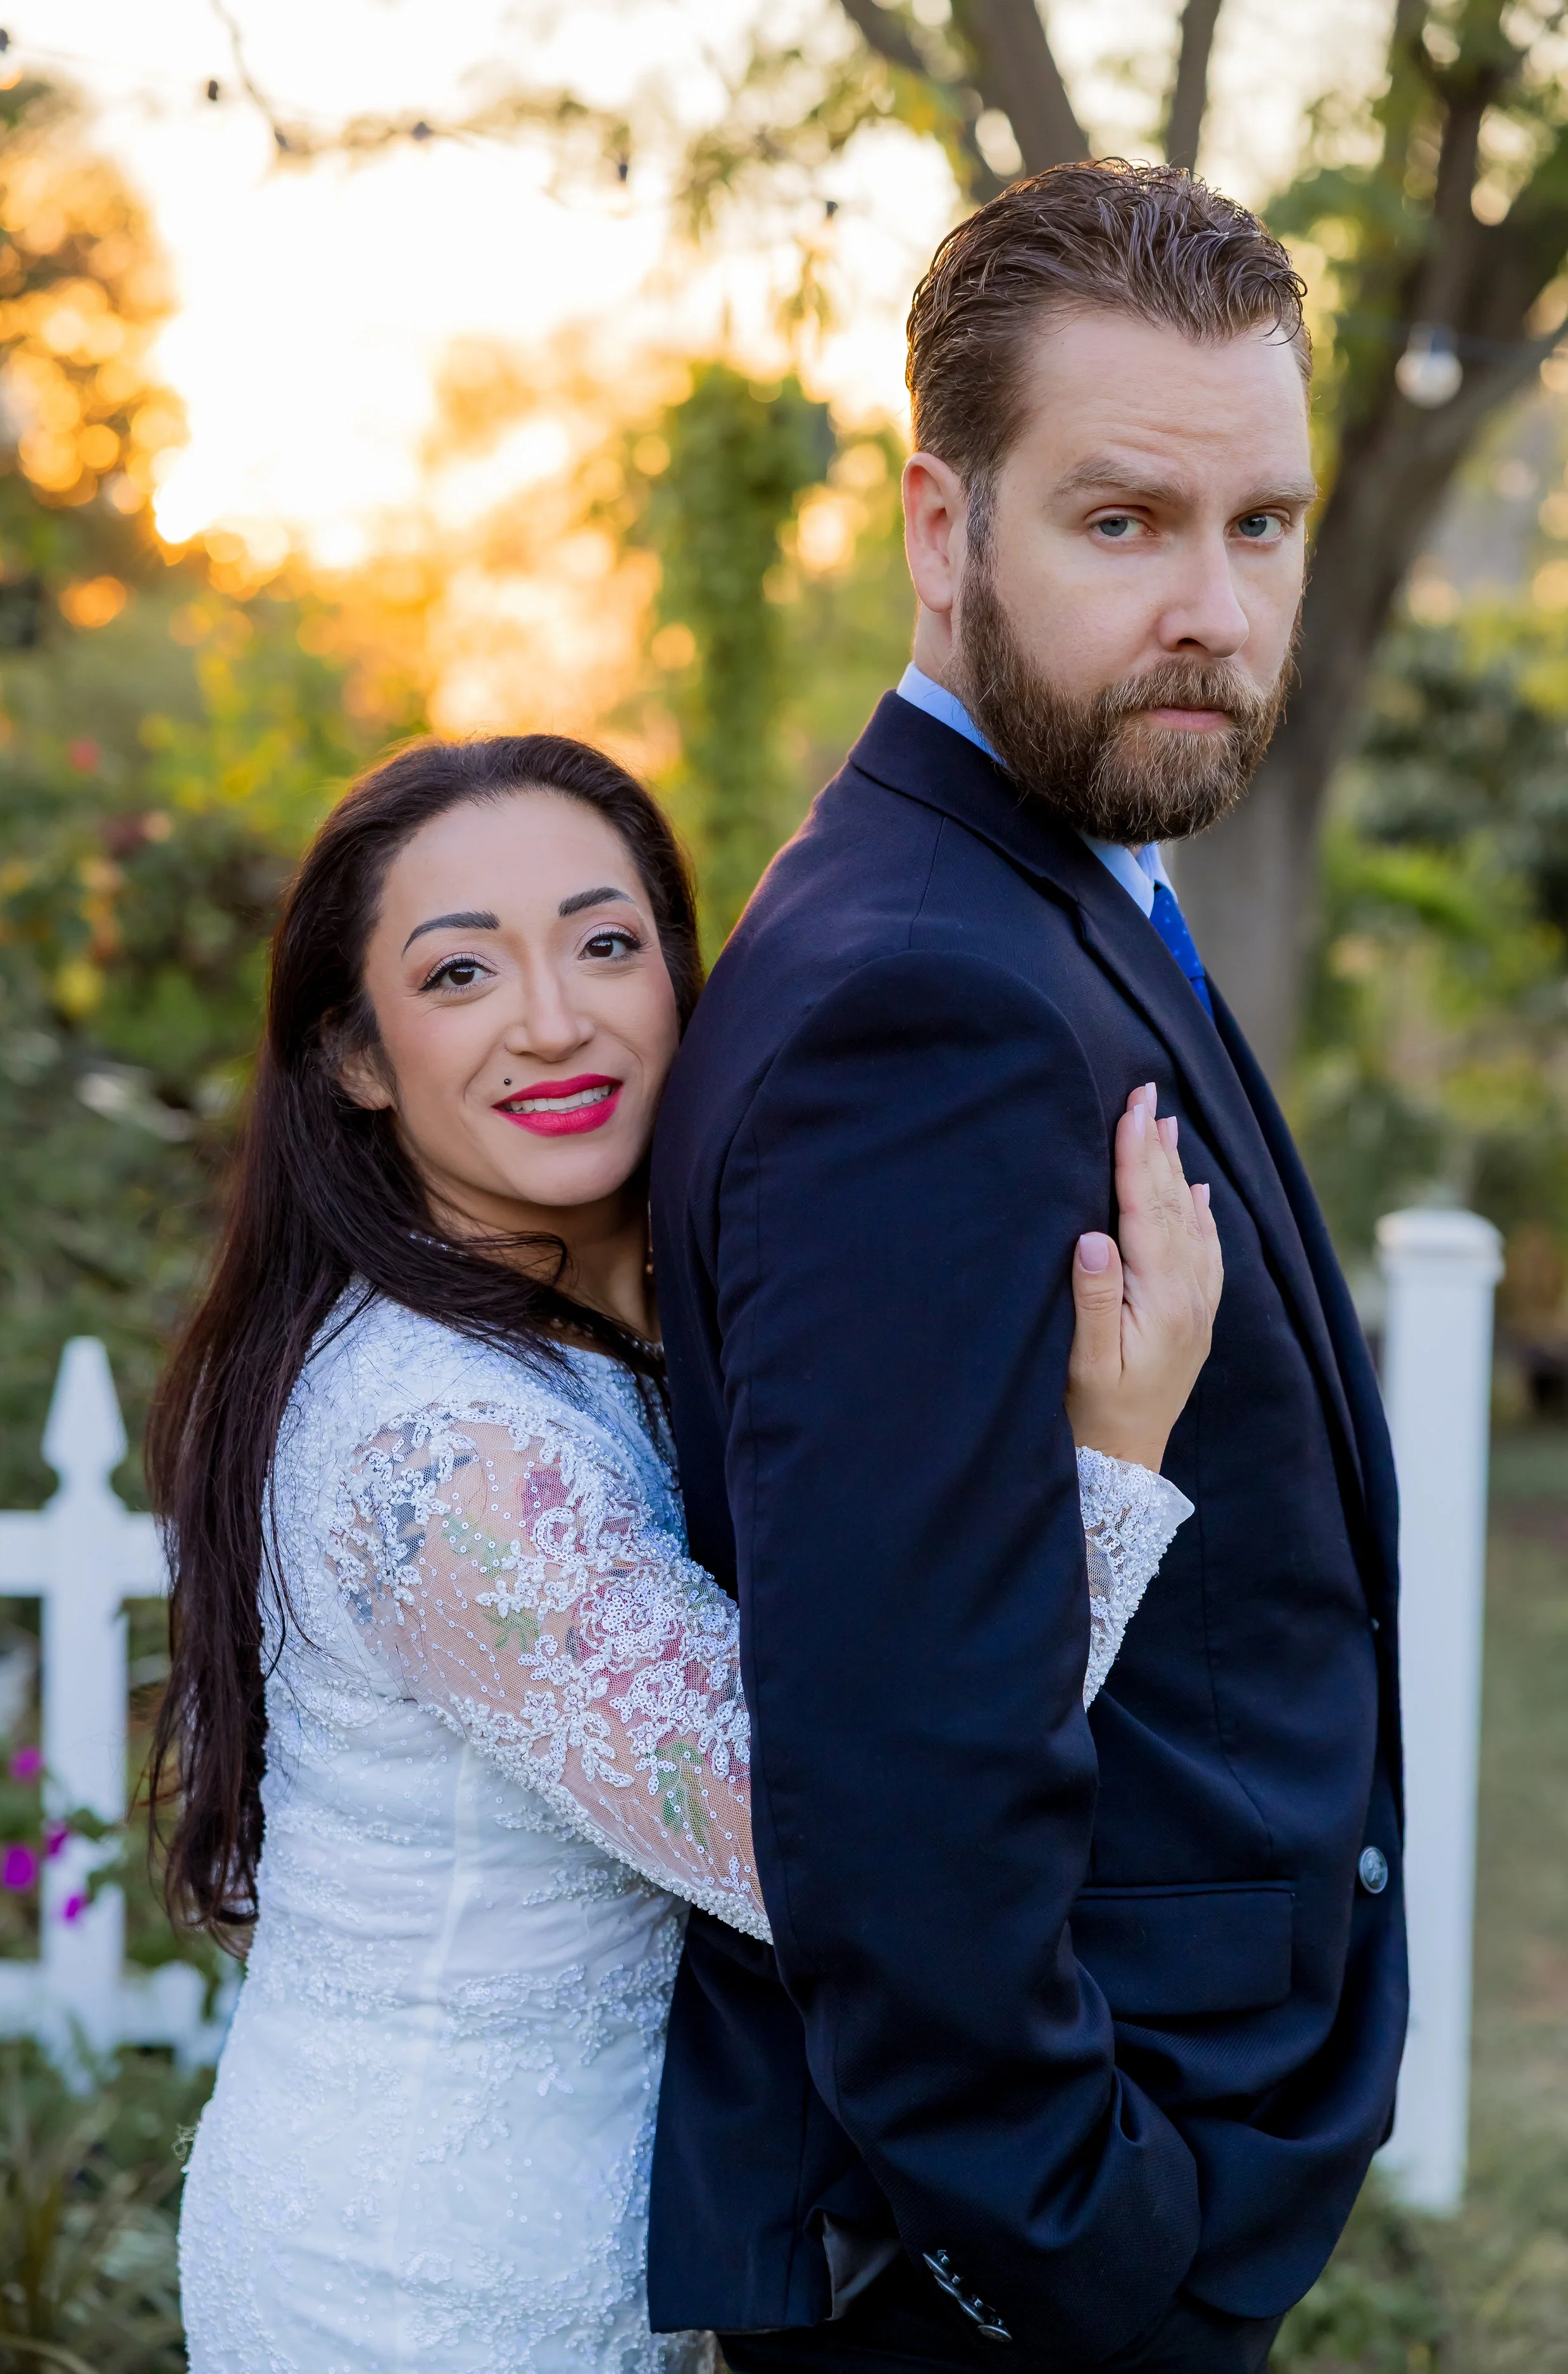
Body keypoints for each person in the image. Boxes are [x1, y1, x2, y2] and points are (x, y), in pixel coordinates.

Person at [153, 731, 1220, 2373]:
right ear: (355, 1056)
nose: (555, 1017)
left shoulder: (578, 1338)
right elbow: (846, 1844)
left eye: (605, 942)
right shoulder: (442, 1449)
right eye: (460, 973)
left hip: (580, 2266)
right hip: (408, 2297)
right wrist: (1116, 1454)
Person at [645, 161, 1407, 2374]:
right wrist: (1077, 2239)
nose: (1211, 605)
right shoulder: (923, 1000)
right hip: (1017, 2272)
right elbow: (886, 1763)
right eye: (1120, 521)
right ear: (938, 527)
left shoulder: (1056, 886)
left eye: (1258, 524)